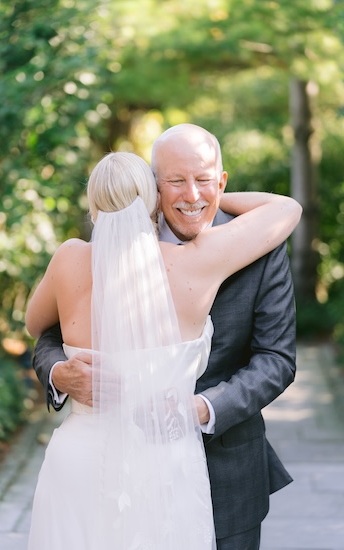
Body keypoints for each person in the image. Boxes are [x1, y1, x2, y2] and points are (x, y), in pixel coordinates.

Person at [31, 125, 301, 550]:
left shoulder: (260, 246)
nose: (192, 195)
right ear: (153, 189)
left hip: (229, 474)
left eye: (204, 180)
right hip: (105, 474)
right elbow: (49, 335)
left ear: (223, 181)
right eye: (176, 182)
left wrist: (202, 408)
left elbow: (276, 359)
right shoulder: (105, 249)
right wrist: (59, 375)